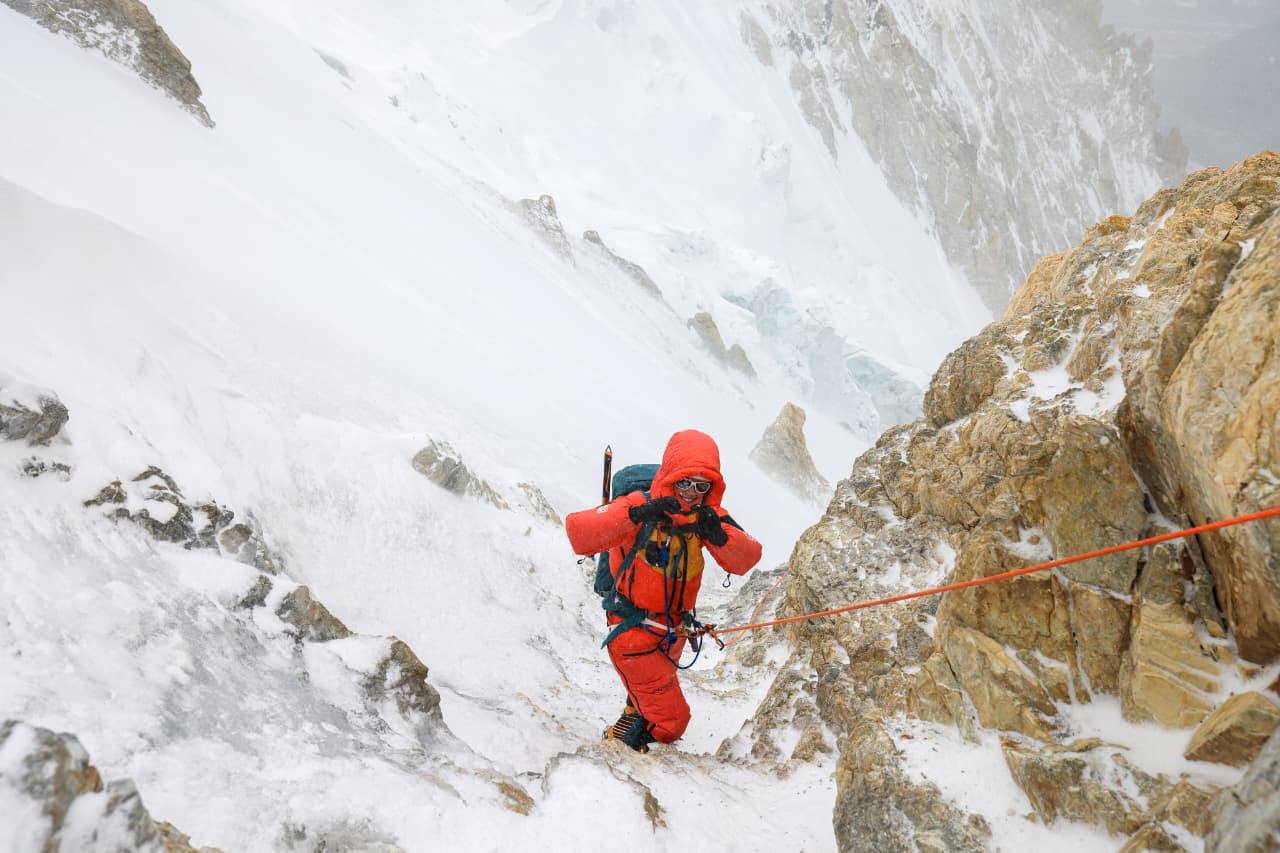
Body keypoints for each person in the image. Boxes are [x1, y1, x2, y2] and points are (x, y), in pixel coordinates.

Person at [565, 429, 762, 752]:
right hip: (633, 633)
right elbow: (579, 532)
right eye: (685, 483)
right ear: (671, 477)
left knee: (652, 690)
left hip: (674, 631)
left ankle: (635, 711)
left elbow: (748, 557)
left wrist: (720, 534)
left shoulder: (706, 516)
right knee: (671, 723)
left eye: (702, 486)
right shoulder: (640, 505)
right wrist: (635, 514)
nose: (692, 493)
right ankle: (625, 743)